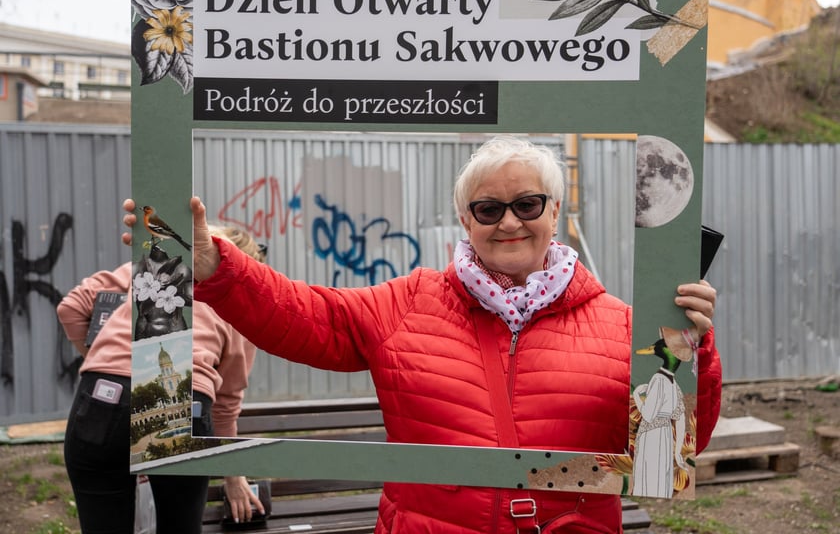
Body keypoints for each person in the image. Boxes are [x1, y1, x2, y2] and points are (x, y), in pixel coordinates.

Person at [123, 135, 722, 533]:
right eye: (488, 209)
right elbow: (307, 316)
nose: (509, 222)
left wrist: (692, 349)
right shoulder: (410, 302)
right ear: (466, 220)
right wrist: (217, 266)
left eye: (527, 204)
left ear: (555, 211)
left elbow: (666, 454)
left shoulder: (624, 324)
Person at [58, 224, 267, 534]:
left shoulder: (153, 268)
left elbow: (71, 308)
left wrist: (108, 360)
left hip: (102, 397)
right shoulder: (236, 299)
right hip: (182, 402)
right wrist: (233, 478)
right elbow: (225, 405)